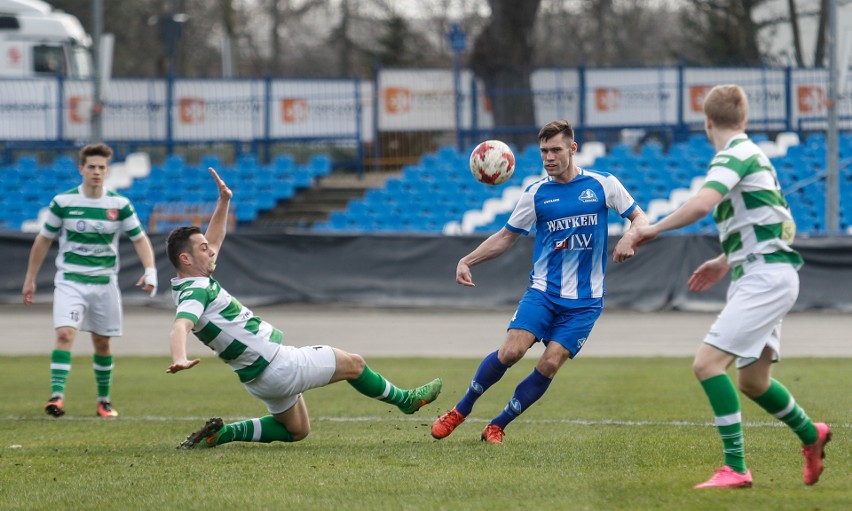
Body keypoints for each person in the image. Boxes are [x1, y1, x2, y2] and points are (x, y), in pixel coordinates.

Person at [614, 84, 831, 488]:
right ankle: (810, 434)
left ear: (707, 123)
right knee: (753, 381)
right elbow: (782, 224)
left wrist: (649, 230)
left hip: (765, 278)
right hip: (765, 273)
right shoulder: (755, 157)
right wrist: (723, 260)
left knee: (707, 363)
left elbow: (701, 204)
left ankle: (736, 467)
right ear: (745, 120)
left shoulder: (734, 155)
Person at [167, 167, 442, 449]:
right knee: (354, 364)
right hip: (276, 364)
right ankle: (407, 401)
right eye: (202, 249)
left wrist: (224, 201)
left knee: (297, 430)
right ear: (186, 258)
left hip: (257, 377)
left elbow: (215, 239)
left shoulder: (192, 282)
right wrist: (180, 357)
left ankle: (221, 435)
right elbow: (181, 325)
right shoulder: (196, 290)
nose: (210, 250)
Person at [431, 120, 648, 445]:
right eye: (544, 151)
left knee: (550, 363)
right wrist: (467, 260)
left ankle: (498, 425)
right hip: (544, 292)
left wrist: (631, 237)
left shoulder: (603, 184)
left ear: (572, 149)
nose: (548, 157)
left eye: (556, 150)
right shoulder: (535, 194)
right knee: (511, 352)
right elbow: (505, 237)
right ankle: (460, 410)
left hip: (586, 302)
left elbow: (640, 218)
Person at [22, 143, 158, 418]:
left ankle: (103, 401)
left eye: (101, 167)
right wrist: (30, 278)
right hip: (70, 280)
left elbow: (140, 238)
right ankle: (56, 397)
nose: (96, 172)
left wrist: (151, 269)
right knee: (64, 334)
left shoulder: (119, 204)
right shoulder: (64, 202)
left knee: (103, 343)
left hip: (104, 283)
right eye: (91, 167)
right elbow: (43, 240)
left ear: (107, 171)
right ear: (81, 169)